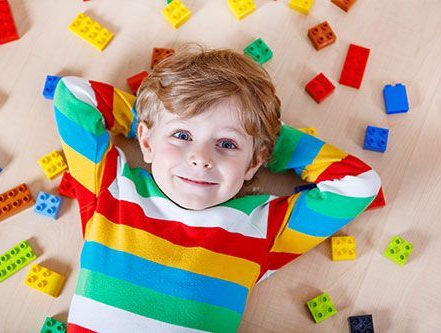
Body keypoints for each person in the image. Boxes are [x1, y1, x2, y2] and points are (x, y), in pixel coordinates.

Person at [53, 44, 382, 333]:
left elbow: (359, 184)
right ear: (145, 140)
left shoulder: (260, 228)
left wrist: (265, 138)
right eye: (182, 135)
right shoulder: (112, 190)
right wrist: (155, 118)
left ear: (255, 163)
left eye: (226, 143)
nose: (200, 158)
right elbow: (74, 96)